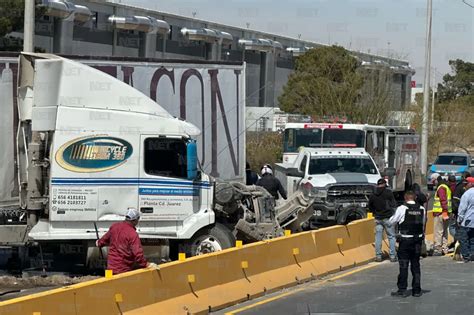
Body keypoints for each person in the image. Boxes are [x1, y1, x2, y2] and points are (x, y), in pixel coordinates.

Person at [389, 191, 426, 297]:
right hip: (417, 241)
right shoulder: (422, 209)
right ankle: (417, 290)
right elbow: (422, 223)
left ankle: (402, 289)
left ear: (405, 198)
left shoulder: (402, 208)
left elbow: (392, 221)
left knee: (403, 266)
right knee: (416, 265)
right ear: (415, 197)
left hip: (405, 242)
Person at [97, 208, 154, 274]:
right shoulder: (132, 234)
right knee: (121, 284)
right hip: (123, 270)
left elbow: (103, 240)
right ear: (135, 220)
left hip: (110, 268)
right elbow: (138, 254)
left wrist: (98, 243)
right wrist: (147, 264)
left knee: (108, 283)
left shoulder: (114, 227)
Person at [369, 178, 398, 262]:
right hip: (387, 218)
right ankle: (392, 256)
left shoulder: (373, 194)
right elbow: (393, 204)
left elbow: (370, 207)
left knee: (378, 237)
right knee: (391, 237)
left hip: (378, 218)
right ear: (385, 184)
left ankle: (378, 256)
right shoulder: (388, 193)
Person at [431, 173, 452, 256]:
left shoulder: (441, 188)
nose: (433, 183)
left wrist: (444, 212)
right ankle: (444, 248)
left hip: (440, 213)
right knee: (444, 231)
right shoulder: (446, 186)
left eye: (433, 181)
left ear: (436, 179)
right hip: (446, 212)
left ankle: (438, 249)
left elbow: (443, 200)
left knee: (438, 231)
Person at [457, 177, 474, 262]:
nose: (464, 186)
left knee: (464, 239)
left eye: (466, 184)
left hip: (467, 220)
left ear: (471, 184)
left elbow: (462, 208)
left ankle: (466, 256)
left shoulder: (467, 194)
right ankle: (472, 255)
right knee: (473, 239)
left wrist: (459, 220)